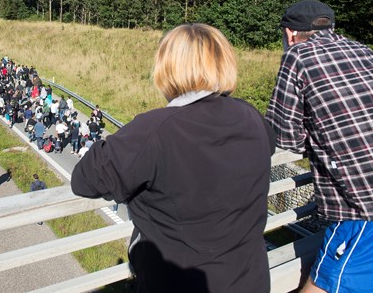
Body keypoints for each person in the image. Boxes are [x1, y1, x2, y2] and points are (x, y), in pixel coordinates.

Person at [71, 23, 275, 293]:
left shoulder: (155, 130)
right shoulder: (251, 116)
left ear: (167, 69)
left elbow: (84, 180)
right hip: (250, 281)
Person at [266, 0, 373, 293]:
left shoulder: (297, 57)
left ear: (289, 34)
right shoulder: (363, 50)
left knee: (323, 285)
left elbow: (285, 137)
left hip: (362, 207)